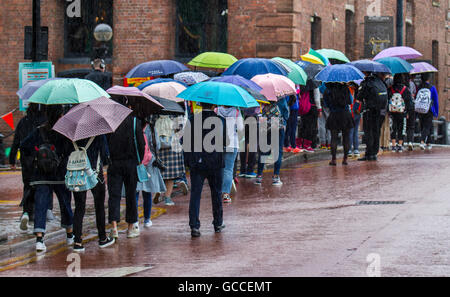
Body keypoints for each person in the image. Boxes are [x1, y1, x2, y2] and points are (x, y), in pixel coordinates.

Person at [21, 105, 74, 252]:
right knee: (65, 204)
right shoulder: (64, 132)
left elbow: (24, 146)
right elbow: (70, 150)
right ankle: (70, 234)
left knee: (41, 206)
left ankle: (39, 239)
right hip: (60, 175)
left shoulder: (39, 131)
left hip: (41, 175)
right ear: (59, 115)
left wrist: (35, 158)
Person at [184, 102, 226, 238]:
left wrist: (189, 161)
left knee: (195, 195)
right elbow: (225, 141)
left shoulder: (192, 119)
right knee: (217, 193)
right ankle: (218, 223)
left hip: (197, 162)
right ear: (214, 104)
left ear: (200, 104)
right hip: (215, 162)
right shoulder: (220, 121)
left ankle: (194, 226)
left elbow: (186, 142)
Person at [70, 135, 115, 252]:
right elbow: (105, 156)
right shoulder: (99, 134)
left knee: (79, 207)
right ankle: (102, 238)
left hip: (77, 175)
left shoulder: (73, 135)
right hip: (95, 172)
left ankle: (77, 242)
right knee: (99, 206)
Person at [9, 103, 47, 230]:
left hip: (26, 159)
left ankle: (26, 212)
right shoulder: (43, 121)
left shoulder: (22, 121)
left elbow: (16, 142)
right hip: (41, 158)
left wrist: (12, 160)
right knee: (39, 186)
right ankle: (38, 214)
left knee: (27, 185)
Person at [107, 112, 145, 239]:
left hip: (114, 163)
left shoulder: (110, 121)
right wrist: (138, 160)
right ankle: (130, 227)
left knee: (114, 195)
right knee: (131, 195)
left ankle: (114, 227)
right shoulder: (135, 121)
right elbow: (141, 144)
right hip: (131, 163)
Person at [136, 117, 166, 228]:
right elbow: (157, 145)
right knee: (147, 192)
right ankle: (147, 219)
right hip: (149, 162)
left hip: (135, 162)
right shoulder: (150, 127)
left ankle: (134, 221)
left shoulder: (133, 124)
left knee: (135, 192)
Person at [255, 96, 289, 186]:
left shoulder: (261, 98)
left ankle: (259, 176)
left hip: (264, 125)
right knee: (278, 151)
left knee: (263, 151)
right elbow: (286, 113)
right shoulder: (281, 98)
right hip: (277, 125)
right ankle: (275, 176)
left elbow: (257, 114)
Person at [153, 114, 186, 206]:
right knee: (170, 176)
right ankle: (167, 198)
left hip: (158, 148)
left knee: (158, 172)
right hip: (172, 148)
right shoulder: (175, 114)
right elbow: (181, 130)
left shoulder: (154, 114)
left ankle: (159, 190)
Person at [357, 72, 389, 161]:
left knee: (368, 133)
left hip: (369, 110)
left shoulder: (367, 82)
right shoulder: (381, 82)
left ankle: (369, 154)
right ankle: (374, 153)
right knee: (376, 132)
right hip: (380, 111)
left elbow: (359, 97)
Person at [217, 105, 244, 203]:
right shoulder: (236, 111)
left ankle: (217, 191)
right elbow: (240, 129)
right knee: (228, 169)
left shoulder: (217, 110)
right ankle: (226, 194)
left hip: (218, 143)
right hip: (232, 143)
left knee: (219, 168)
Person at [323, 83, 354, 166]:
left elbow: (326, 104)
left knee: (334, 137)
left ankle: (333, 159)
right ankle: (345, 159)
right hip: (345, 114)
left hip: (334, 114)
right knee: (346, 138)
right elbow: (350, 101)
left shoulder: (328, 90)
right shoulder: (345, 88)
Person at [388, 74, 414, 153]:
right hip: (402, 112)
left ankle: (393, 145)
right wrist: (408, 112)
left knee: (393, 127)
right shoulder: (405, 89)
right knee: (401, 127)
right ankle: (399, 145)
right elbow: (409, 102)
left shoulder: (390, 89)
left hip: (392, 112)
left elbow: (387, 99)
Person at [416, 73, 439, 150]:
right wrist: (436, 112)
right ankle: (422, 142)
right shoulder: (432, 87)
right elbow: (435, 100)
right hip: (429, 109)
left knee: (423, 125)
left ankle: (428, 142)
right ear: (428, 79)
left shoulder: (419, 87)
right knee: (427, 126)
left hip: (419, 109)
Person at [299, 86, 322, 152]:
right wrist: (319, 109)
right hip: (312, 107)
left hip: (304, 107)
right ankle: (310, 144)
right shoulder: (314, 84)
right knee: (312, 126)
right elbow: (317, 98)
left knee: (304, 125)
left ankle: (302, 143)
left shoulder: (302, 84)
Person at [239, 106, 260, 178]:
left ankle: (242, 170)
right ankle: (250, 170)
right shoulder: (257, 97)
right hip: (254, 118)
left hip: (245, 118)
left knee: (243, 143)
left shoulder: (245, 96)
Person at [348, 82, 362, 158]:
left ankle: (349, 150)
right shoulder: (359, 90)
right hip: (358, 112)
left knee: (350, 131)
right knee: (355, 131)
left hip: (351, 111)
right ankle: (356, 149)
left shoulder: (349, 89)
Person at [406, 74, 418, 150]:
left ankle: (399, 143)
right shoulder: (412, 84)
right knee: (411, 125)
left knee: (402, 126)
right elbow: (414, 93)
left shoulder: (402, 85)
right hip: (411, 106)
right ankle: (410, 141)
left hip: (402, 107)